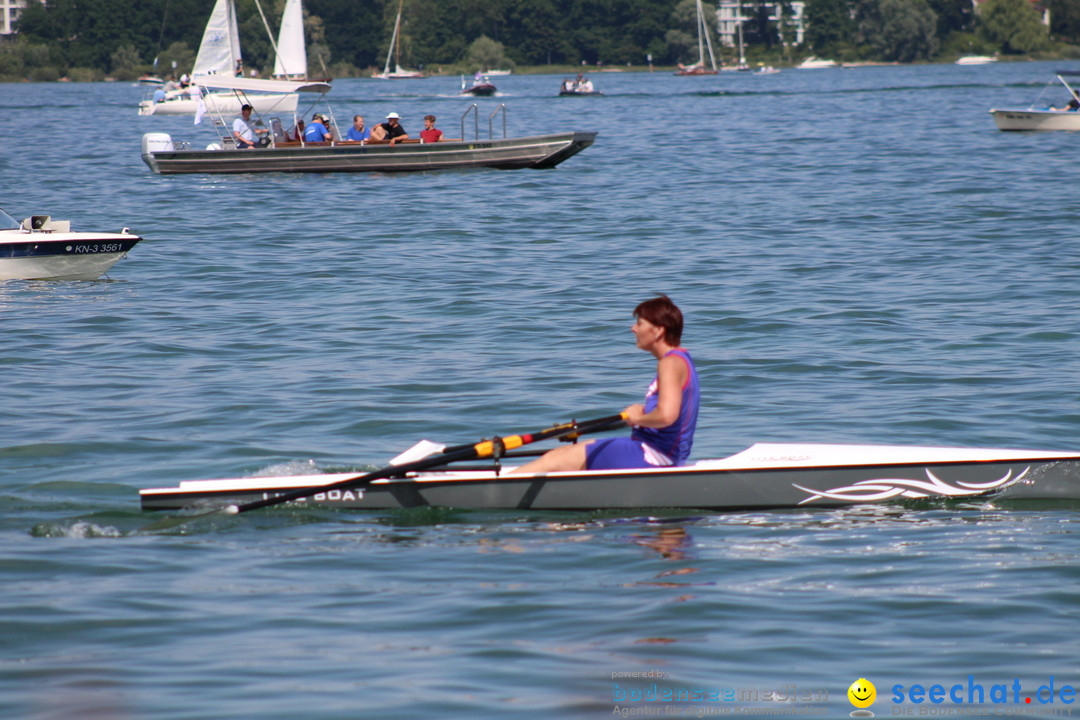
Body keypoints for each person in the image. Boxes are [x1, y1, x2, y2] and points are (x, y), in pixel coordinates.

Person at [508, 295, 699, 475]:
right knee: (573, 451)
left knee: (556, 458)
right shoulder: (681, 359)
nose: (633, 328)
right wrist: (644, 414)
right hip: (655, 451)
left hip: (654, 455)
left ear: (658, 330)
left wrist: (638, 418)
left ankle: (499, 486)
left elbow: (667, 416)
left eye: (639, 323)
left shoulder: (669, 363)